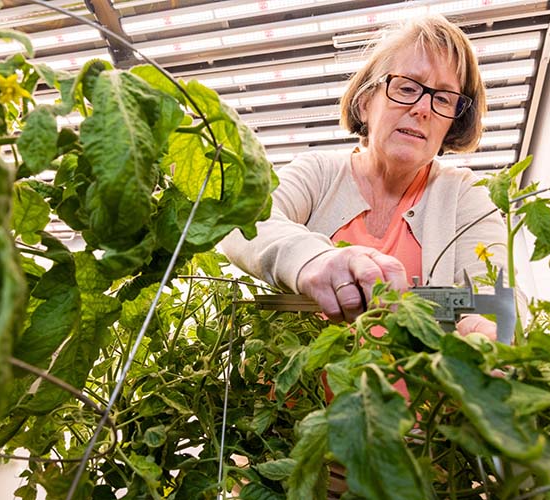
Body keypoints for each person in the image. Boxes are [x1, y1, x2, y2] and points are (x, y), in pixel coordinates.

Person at [222, 14, 517, 340]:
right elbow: (245, 222)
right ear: (365, 103)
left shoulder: (465, 195)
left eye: (443, 98)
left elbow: (492, 288)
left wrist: (488, 331)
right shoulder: (319, 173)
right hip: (296, 391)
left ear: (452, 123)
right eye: (406, 87)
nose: (423, 109)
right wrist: (314, 261)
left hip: (415, 392)